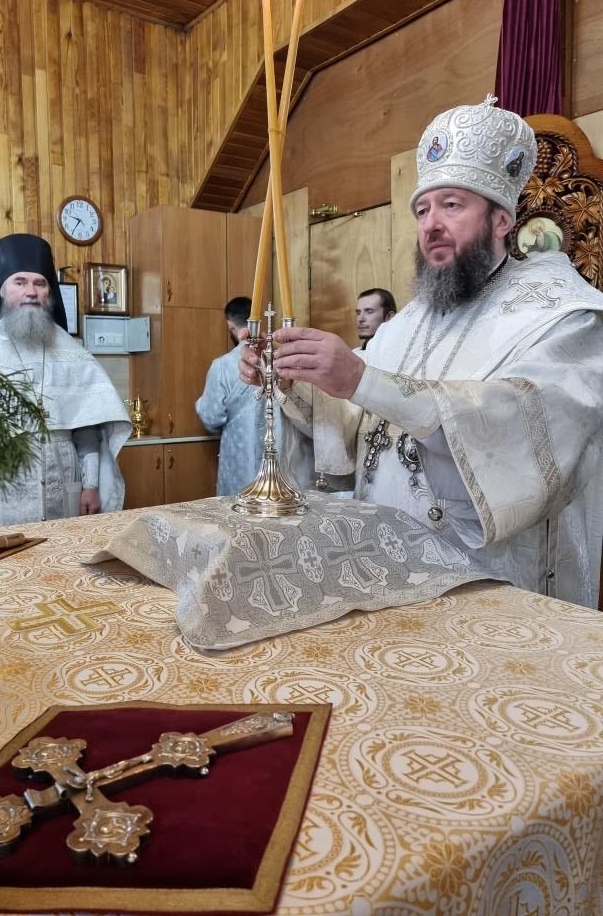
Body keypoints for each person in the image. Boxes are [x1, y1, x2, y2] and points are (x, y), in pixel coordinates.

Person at [241, 96, 603, 609]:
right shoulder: (408, 322)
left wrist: (359, 378)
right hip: (383, 570)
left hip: (487, 586)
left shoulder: (561, 314)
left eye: (451, 206)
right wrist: (298, 381)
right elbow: (358, 427)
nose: (431, 224)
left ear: (502, 220)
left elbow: (517, 425)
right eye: (422, 209)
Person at [0, 234, 131, 533]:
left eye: (39, 283)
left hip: (65, 482)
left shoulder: (71, 350)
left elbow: (87, 430)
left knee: (66, 555)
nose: (31, 291)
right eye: (20, 282)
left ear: (49, 292)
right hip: (3, 486)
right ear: (2, 290)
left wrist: (91, 485)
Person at [195, 296, 269, 496]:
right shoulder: (277, 357)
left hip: (240, 460)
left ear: (231, 326)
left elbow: (211, 417)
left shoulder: (222, 366)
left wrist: (200, 405)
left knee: (237, 511)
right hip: (279, 459)